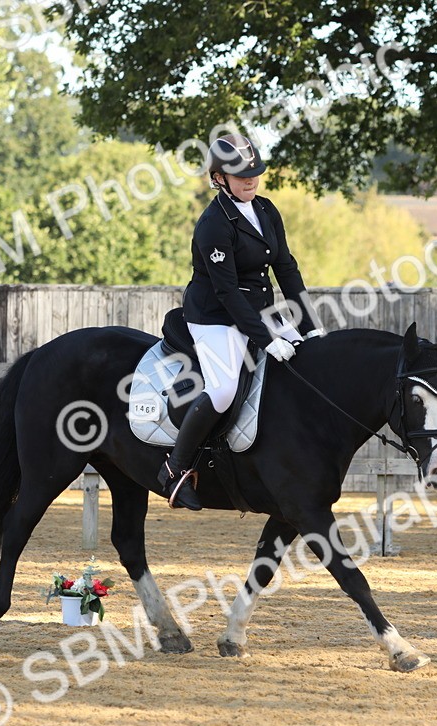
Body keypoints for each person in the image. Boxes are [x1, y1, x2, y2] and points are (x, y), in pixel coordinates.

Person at [157, 134, 322, 510]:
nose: (251, 181)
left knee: (307, 359)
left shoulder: (266, 209)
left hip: (258, 310)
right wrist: (266, 338)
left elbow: (286, 269)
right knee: (224, 389)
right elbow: (229, 293)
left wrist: (310, 325)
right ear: (219, 178)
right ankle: (173, 469)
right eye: (241, 175)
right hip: (214, 316)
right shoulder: (213, 224)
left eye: (255, 174)